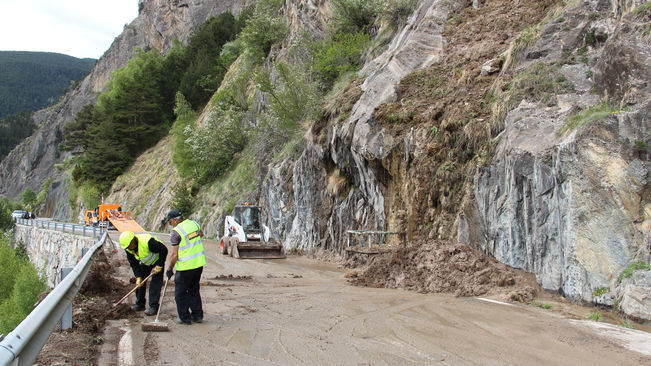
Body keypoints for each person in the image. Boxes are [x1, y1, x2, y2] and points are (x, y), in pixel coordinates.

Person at [165, 209, 205, 325]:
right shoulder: (194, 224)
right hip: (198, 264)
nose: (170, 224)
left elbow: (174, 254)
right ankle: (197, 315)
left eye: (170, 221)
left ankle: (184, 318)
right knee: (194, 290)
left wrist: (169, 269)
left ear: (175, 220)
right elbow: (201, 234)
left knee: (180, 294)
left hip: (185, 267)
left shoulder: (176, 232)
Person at [119, 230, 168, 315]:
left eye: (129, 246)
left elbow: (164, 250)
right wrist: (138, 276)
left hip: (157, 261)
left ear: (133, 240)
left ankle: (153, 307)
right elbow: (134, 264)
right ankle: (140, 304)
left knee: (155, 284)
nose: (128, 248)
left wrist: (159, 265)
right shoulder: (128, 249)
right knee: (140, 283)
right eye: (127, 247)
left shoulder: (148, 242)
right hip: (146, 263)